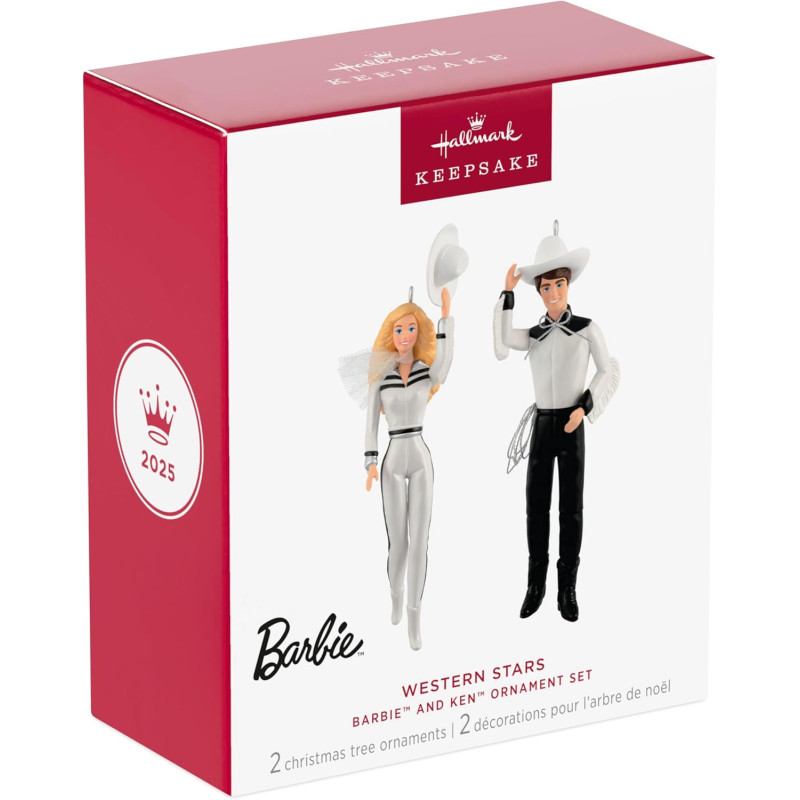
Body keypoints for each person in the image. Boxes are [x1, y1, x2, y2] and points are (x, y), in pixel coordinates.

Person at [494, 221, 618, 622]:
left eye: (558, 285)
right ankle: (536, 584)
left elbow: (608, 370)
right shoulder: (535, 334)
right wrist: (507, 293)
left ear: (568, 285)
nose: (552, 293)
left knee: (571, 509)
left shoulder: (586, 330)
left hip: (571, 423)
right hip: (542, 425)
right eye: (545, 287)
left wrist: (585, 406)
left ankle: (568, 587)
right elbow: (502, 341)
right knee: (535, 506)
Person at [364, 288, 454, 650]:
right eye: (399, 329)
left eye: (411, 328)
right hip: (391, 458)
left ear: (420, 333)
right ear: (391, 334)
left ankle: (415, 615)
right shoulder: (380, 377)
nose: (405, 335)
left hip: (419, 455)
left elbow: (445, 365)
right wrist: (370, 461)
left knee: (420, 541)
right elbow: (371, 423)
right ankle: (395, 594)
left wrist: (446, 318)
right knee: (398, 542)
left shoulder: (425, 373)